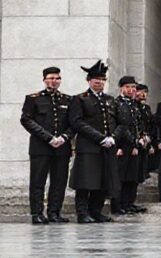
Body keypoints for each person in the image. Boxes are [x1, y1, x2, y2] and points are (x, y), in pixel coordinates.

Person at [68, 60, 120, 224]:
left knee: (103, 181)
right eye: (96, 80)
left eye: (103, 80)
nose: (100, 83)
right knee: (85, 181)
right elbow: (77, 122)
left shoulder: (110, 100)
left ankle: (96, 211)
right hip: (89, 146)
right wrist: (100, 137)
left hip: (108, 146)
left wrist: (113, 137)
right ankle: (82, 213)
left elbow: (119, 122)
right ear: (89, 81)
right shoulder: (80, 99)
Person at [20, 67, 74, 224]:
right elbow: (26, 120)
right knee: (38, 181)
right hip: (41, 147)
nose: (54, 81)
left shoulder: (67, 100)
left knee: (59, 182)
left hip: (62, 147)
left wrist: (64, 137)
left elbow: (74, 123)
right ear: (44, 80)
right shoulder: (33, 98)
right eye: (51, 78)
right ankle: (37, 213)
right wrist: (48, 138)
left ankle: (54, 212)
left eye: (57, 78)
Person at [111, 76, 148, 215]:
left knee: (133, 177)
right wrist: (125, 144)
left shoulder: (134, 104)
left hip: (135, 145)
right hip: (122, 145)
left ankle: (129, 203)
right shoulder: (116, 103)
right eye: (128, 87)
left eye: (133, 87)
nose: (131, 90)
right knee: (120, 177)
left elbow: (138, 124)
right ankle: (118, 205)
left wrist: (142, 137)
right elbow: (119, 126)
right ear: (121, 88)